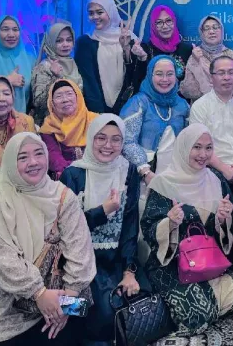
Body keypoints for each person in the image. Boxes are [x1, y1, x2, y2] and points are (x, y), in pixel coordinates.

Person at [0, 133, 96, 345]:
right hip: (4, 298)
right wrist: (39, 293)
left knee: (81, 318)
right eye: (23, 157)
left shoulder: (62, 195)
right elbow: (4, 260)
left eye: (38, 154)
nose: (33, 162)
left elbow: (80, 249)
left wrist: (67, 302)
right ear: (10, 162)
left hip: (58, 292)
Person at [140, 124, 233, 334]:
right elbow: (149, 229)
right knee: (197, 314)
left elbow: (231, 226)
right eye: (196, 147)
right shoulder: (163, 183)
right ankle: (198, 306)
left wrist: (223, 219)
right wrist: (170, 223)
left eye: (208, 148)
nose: (203, 154)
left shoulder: (215, 179)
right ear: (184, 147)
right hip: (172, 264)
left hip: (207, 260)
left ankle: (204, 304)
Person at [59, 114, 150, 343]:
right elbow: (65, 229)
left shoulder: (127, 171)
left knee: (141, 300)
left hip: (116, 260)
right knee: (92, 314)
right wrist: (103, 211)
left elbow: (130, 226)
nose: (108, 145)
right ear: (91, 138)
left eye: (116, 139)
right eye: (101, 138)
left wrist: (129, 271)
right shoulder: (73, 174)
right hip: (79, 262)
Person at [189, 56, 233, 260]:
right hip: (213, 168)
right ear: (211, 77)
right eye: (221, 73)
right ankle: (226, 257)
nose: (227, 77)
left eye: (231, 72)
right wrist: (224, 169)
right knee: (229, 205)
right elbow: (200, 149)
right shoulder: (200, 106)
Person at [121, 55, 190, 185]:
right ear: (150, 75)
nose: (165, 79)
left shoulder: (182, 105)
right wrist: (144, 170)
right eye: (159, 74)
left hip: (177, 174)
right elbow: (126, 141)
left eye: (170, 74)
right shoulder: (138, 103)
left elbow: (189, 139)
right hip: (144, 175)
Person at [74, 0, 146, 115]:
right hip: (98, 110)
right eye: (91, 13)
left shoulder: (128, 37)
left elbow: (136, 75)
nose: (95, 17)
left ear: (110, 12)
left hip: (128, 107)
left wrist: (126, 49)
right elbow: (88, 81)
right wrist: (98, 114)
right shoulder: (85, 42)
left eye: (99, 12)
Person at [38, 80, 98, 179]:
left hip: (97, 173)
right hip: (67, 177)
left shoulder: (95, 121)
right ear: (52, 103)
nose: (65, 100)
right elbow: (54, 159)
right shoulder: (49, 127)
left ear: (78, 96)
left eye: (69, 94)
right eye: (59, 96)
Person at [31, 21, 84, 125]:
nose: (65, 44)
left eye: (69, 40)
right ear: (50, 42)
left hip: (75, 123)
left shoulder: (75, 64)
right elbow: (39, 103)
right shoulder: (44, 67)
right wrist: (55, 78)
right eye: (59, 41)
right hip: (52, 125)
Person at [180, 15, 233, 102]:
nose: (211, 31)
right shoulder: (195, 55)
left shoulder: (231, 55)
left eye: (215, 27)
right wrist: (196, 63)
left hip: (227, 105)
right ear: (201, 33)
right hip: (201, 107)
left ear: (222, 30)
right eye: (207, 28)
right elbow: (188, 92)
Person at [134, 5, 192, 92]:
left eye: (168, 21)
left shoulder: (186, 49)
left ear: (174, 22)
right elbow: (138, 84)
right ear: (153, 26)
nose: (165, 26)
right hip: (152, 99)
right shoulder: (144, 50)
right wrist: (141, 59)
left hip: (180, 99)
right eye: (159, 22)